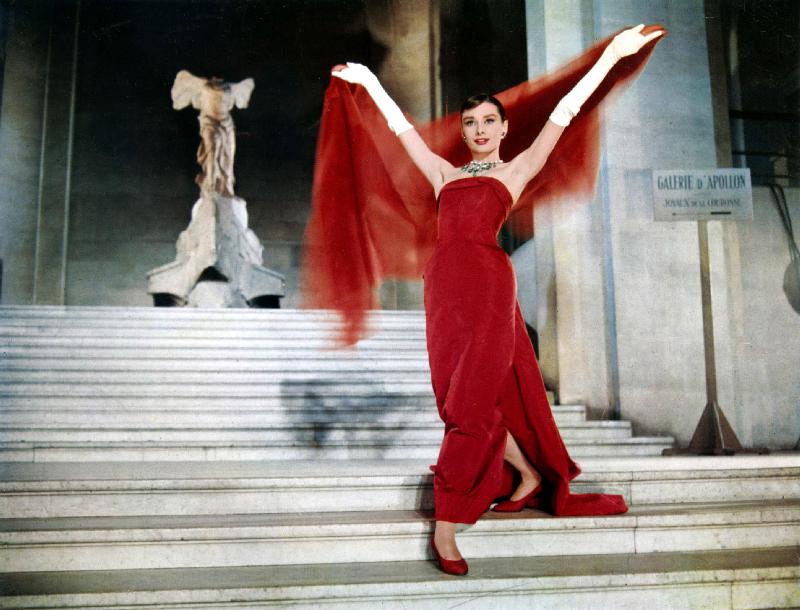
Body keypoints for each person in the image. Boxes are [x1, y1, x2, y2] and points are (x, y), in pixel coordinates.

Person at [327, 24, 665, 576]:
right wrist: (368, 80)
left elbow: (566, 113)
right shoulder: (443, 174)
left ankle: (447, 524)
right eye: (471, 123)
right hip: (444, 289)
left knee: (467, 409)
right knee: (458, 398)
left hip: (487, 285)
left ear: (504, 128)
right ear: (464, 132)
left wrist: (611, 57)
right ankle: (528, 473)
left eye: (489, 121)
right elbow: (401, 129)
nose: (480, 129)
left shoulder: (516, 169)